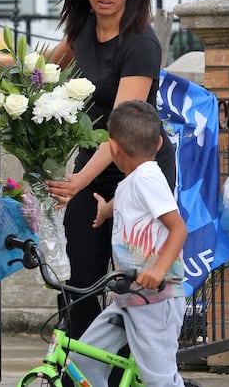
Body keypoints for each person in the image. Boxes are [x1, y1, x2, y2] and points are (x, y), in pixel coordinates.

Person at [0, 0, 176, 341]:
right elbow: (44, 71)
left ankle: (135, 371)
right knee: (76, 280)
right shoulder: (84, 28)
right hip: (93, 168)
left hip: (140, 170)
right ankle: (83, 370)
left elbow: (121, 130)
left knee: (136, 283)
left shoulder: (142, 44)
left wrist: (77, 182)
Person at [72, 100, 187, 386]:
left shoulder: (148, 177)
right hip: (128, 296)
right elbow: (131, 200)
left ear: (112, 148)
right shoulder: (133, 180)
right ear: (159, 143)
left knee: (159, 378)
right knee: (84, 360)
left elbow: (178, 228)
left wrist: (159, 269)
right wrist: (106, 209)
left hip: (156, 299)